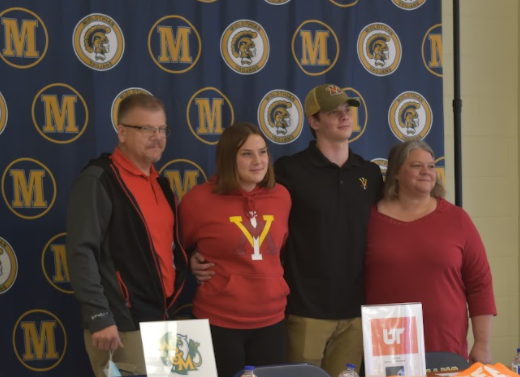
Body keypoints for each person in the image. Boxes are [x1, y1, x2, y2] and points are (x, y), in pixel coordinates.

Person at [66, 93, 187, 376]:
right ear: (122, 132)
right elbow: (81, 253)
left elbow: (158, 248)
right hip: (120, 325)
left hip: (161, 319)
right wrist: (99, 316)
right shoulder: (99, 180)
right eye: (146, 129)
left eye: (162, 129)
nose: (157, 137)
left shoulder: (163, 185)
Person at [274, 84, 384, 376]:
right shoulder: (289, 169)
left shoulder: (370, 174)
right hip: (305, 309)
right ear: (314, 121)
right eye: (333, 112)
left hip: (355, 311)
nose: (344, 117)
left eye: (347, 111)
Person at [365, 139, 496, 363]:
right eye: (417, 166)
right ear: (396, 172)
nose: (426, 172)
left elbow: (480, 284)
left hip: (445, 341)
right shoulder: (369, 219)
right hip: (387, 343)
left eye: (431, 166)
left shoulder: (457, 219)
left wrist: (482, 344)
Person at [180, 122, 291, 377]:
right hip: (218, 321)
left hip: (271, 321)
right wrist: (190, 260)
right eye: (247, 154)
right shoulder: (197, 201)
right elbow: (174, 249)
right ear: (229, 158)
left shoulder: (282, 197)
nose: (258, 161)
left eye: (262, 152)